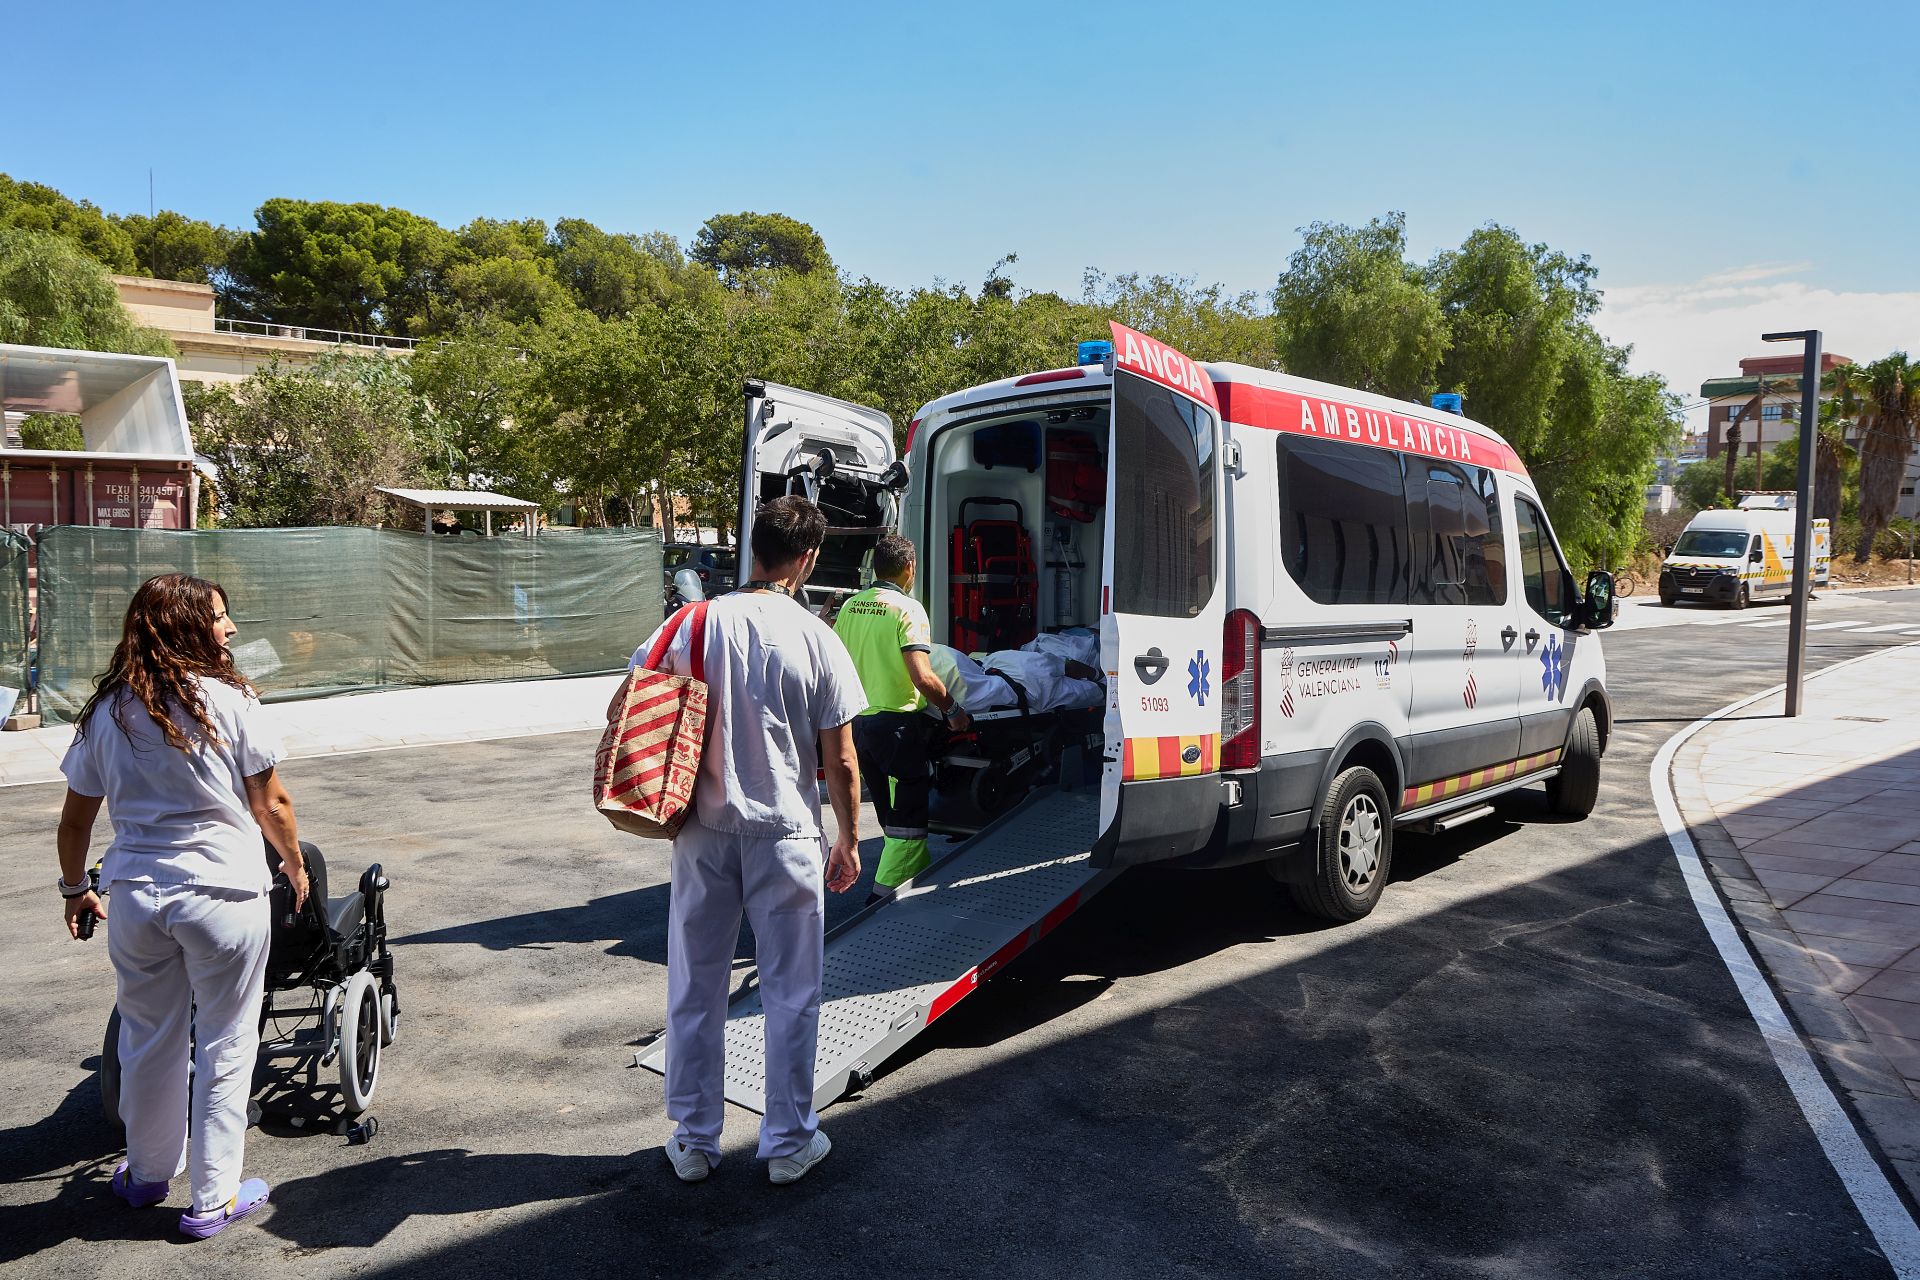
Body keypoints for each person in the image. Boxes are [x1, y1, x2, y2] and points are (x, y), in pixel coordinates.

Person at [55, 573, 308, 1240]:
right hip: (224, 892)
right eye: (220, 618)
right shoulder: (232, 701)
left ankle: (144, 1175)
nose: (228, 628)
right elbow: (271, 804)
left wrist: (74, 887)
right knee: (225, 1042)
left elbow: (76, 821)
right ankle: (213, 1199)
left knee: (148, 1040)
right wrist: (293, 860)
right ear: (190, 627)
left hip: (137, 894)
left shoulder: (107, 710)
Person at [632, 495, 866, 1186]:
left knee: (695, 984)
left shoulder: (690, 621)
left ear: (752, 546)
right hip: (788, 835)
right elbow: (843, 760)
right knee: (792, 991)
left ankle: (694, 1140)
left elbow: (641, 701)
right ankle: (789, 1143)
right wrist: (847, 839)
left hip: (702, 831)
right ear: (809, 558)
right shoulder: (817, 636)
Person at [832, 536, 968, 902]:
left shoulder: (851, 607)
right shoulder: (907, 609)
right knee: (907, 818)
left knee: (891, 814)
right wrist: (954, 712)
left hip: (858, 726)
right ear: (909, 568)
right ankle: (883, 895)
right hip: (895, 728)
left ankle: (917, 875)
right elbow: (922, 676)